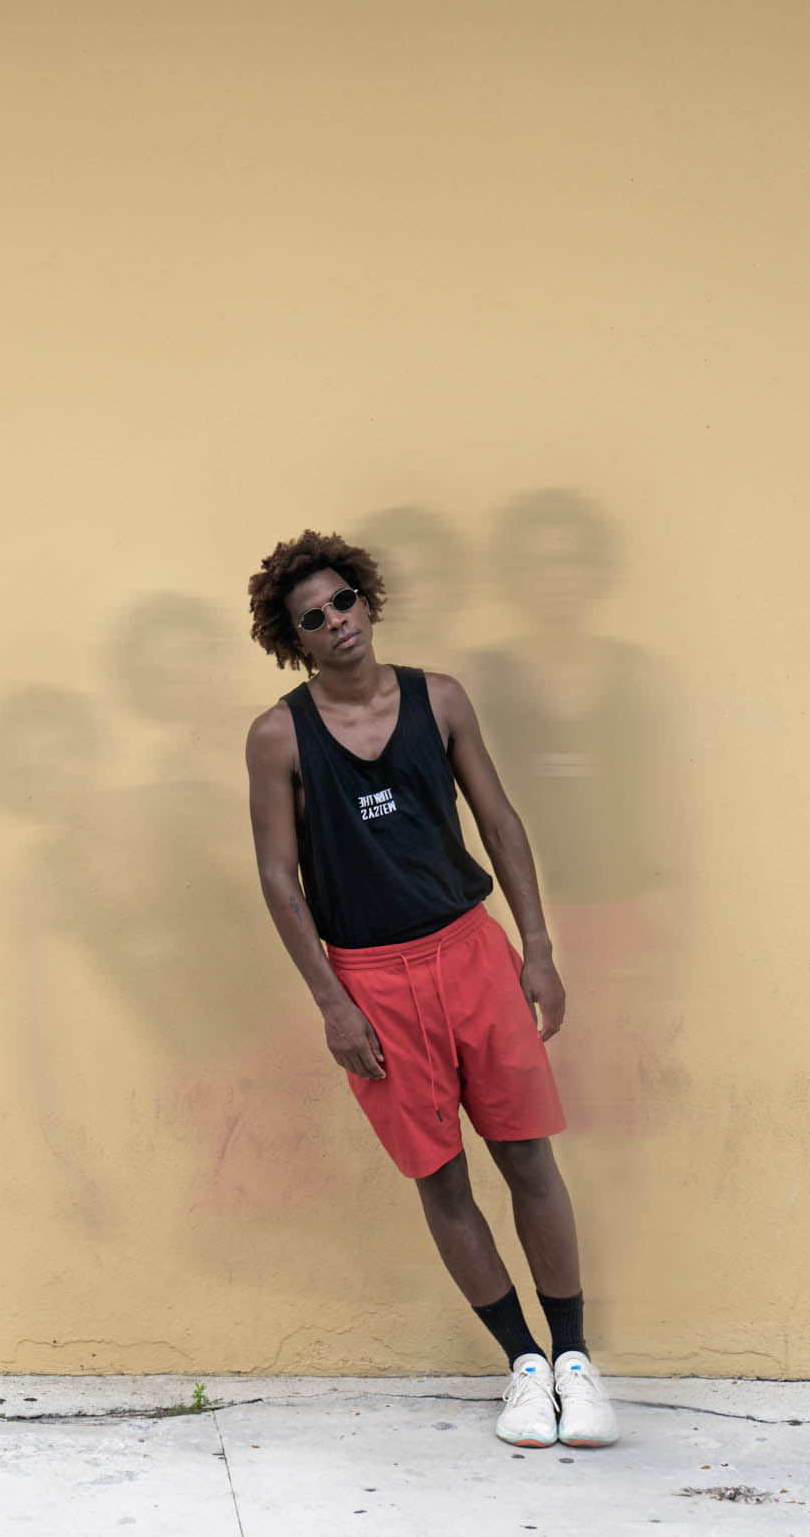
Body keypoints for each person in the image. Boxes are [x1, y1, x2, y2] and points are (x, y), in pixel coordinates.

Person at [241, 529, 619, 1450]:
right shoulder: (277, 736)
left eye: (344, 603)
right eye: (313, 618)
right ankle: (524, 1366)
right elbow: (277, 878)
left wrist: (536, 946)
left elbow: (499, 818)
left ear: (367, 601)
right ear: (294, 640)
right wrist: (334, 1004)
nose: (337, 623)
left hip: (469, 951)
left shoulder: (438, 699)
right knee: (442, 1181)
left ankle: (576, 1359)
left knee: (528, 1157)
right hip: (371, 982)